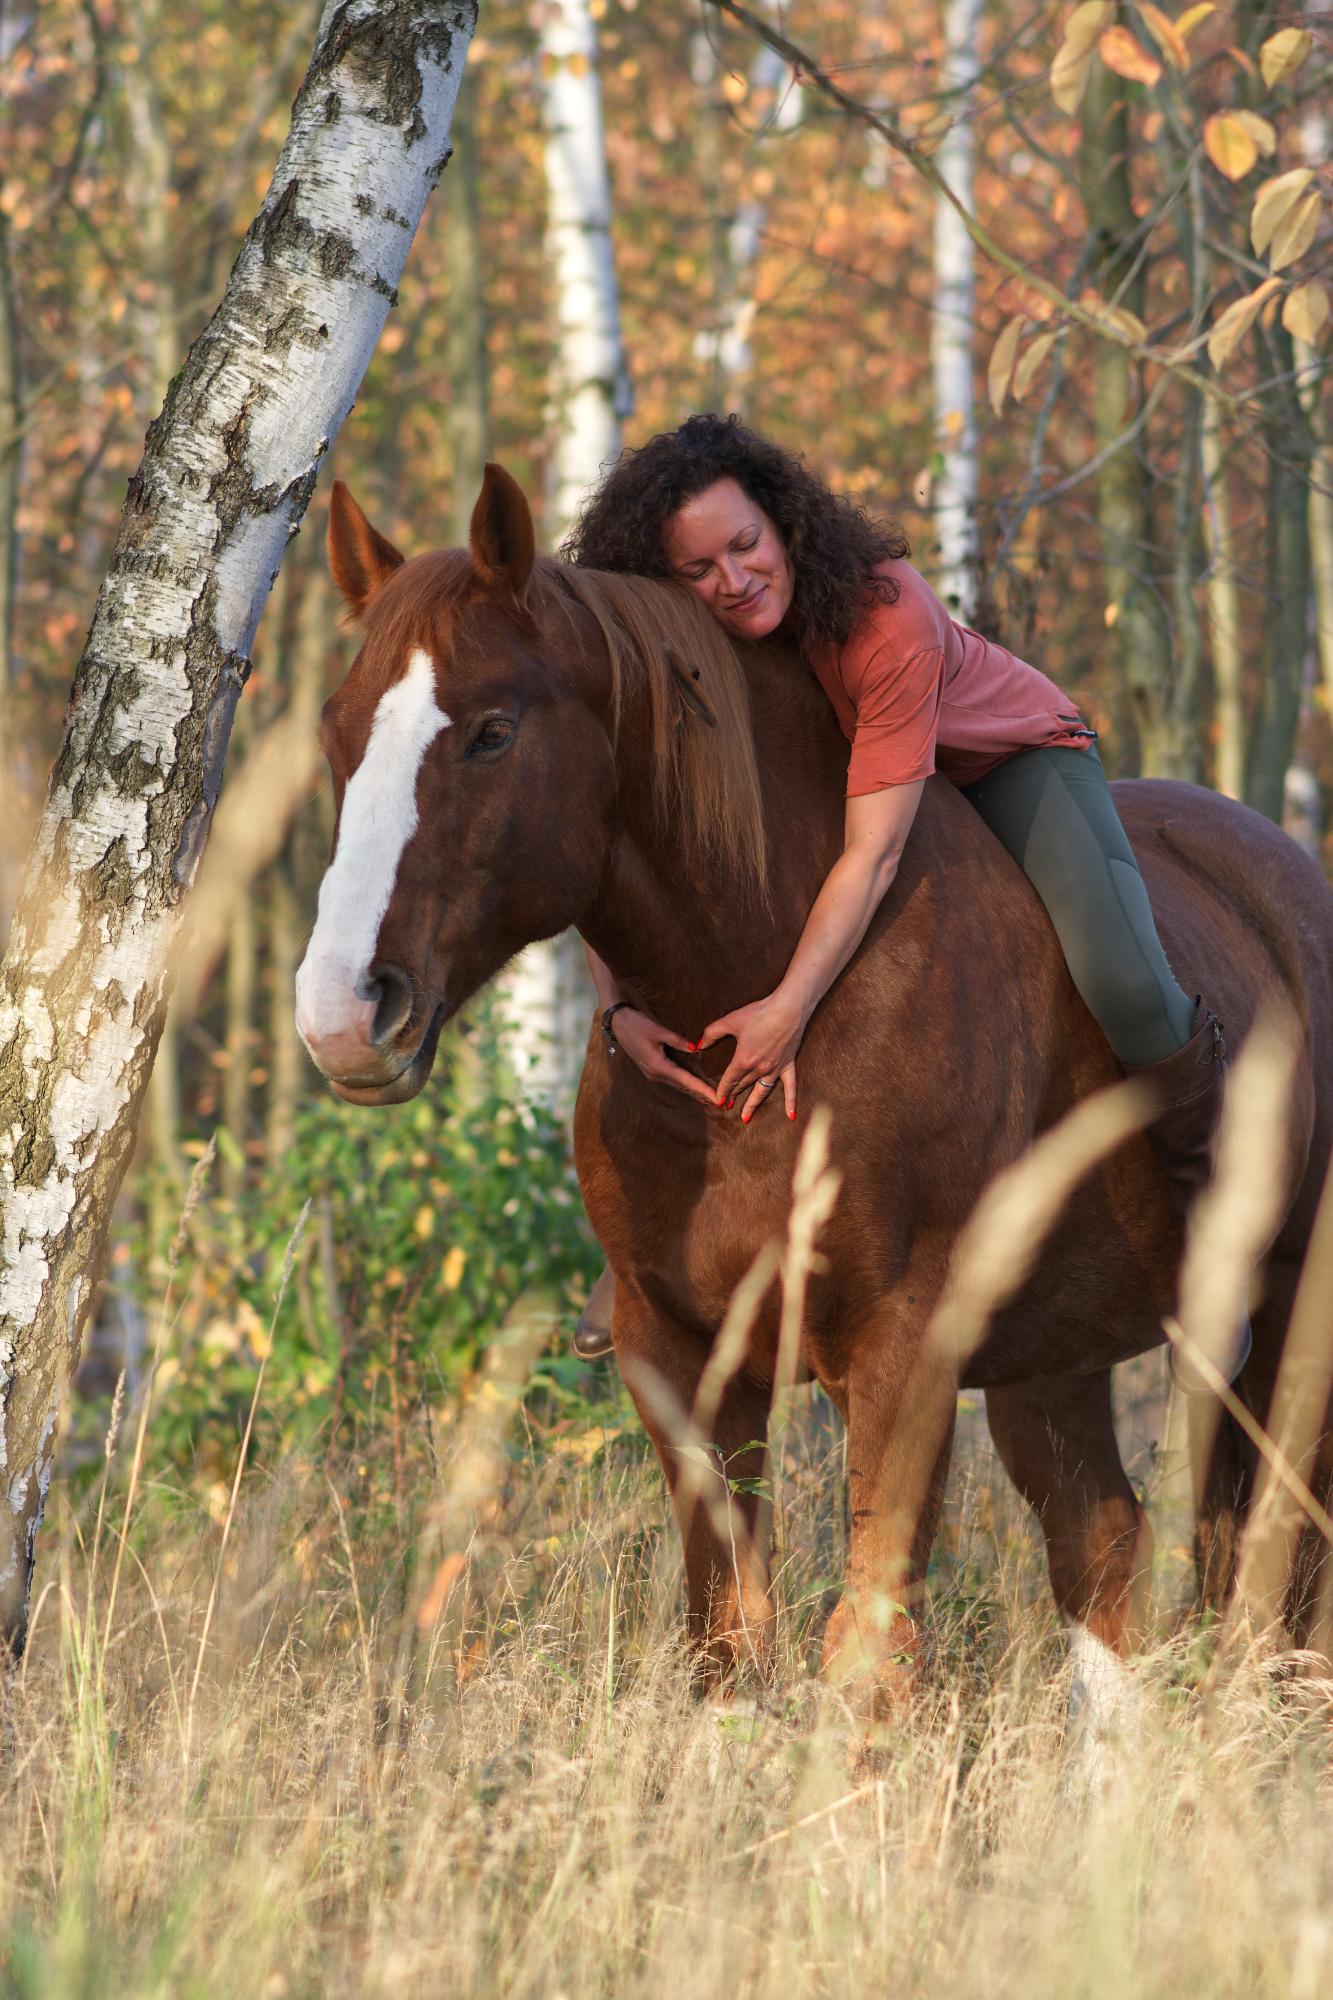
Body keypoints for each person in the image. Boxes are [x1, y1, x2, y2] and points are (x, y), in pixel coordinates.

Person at [563, 414, 1241, 1387]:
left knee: (1120, 975)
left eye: (744, 544)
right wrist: (616, 999)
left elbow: (875, 854)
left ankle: (1212, 1226)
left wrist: (789, 1007)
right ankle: (635, 1247)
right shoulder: (692, 650)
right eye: (698, 567)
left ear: (784, 523)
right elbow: (642, 844)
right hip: (848, 792)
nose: (733, 579)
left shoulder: (883, 612)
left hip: (998, 763)